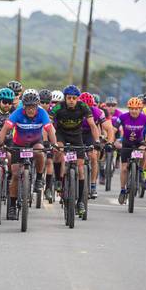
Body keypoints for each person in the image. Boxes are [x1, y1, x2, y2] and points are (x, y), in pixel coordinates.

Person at [0, 91, 57, 220]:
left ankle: (39, 179)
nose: (31, 110)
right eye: (28, 107)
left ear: (37, 106)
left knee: (40, 151)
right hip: (18, 145)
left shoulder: (42, 113)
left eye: (33, 107)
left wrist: (54, 144)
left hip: (35, 143)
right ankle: (12, 205)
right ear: (24, 106)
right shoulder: (17, 113)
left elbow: (50, 130)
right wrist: (0, 143)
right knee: (15, 174)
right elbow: (5, 129)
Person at [51, 85, 97, 215]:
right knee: (59, 151)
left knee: (81, 168)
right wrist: (51, 141)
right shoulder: (58, 107)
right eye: (69, 98)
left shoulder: (83, 106)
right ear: (65, 98)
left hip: (77, 136)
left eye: (74, 98)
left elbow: (93, 125)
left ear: (78, 99)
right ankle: (58, 180)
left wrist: (97, 142)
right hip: (61, 134)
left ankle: (80, 201)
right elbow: (49, 124)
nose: (71, 100)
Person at [114, 97, 146, 204]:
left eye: (136, 109)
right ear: (128, 108)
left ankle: (141, 171)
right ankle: (122, 190)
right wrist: (112, 141)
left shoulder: (145, 118)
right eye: (131, 108)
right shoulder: (122, 117)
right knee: (124, 169)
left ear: (140, 109)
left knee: (144, 152)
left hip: (139, 142)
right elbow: (114, 129)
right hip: (126, 144)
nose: (134, 111)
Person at [78, 91, 114, 198]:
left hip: (91, 133)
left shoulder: (97, 112)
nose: (86, 109)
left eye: (89, 107)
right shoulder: (74, 110)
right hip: (77, 133)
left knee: (93, 156)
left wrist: (110, 143)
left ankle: (93, 185)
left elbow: (109, 128)